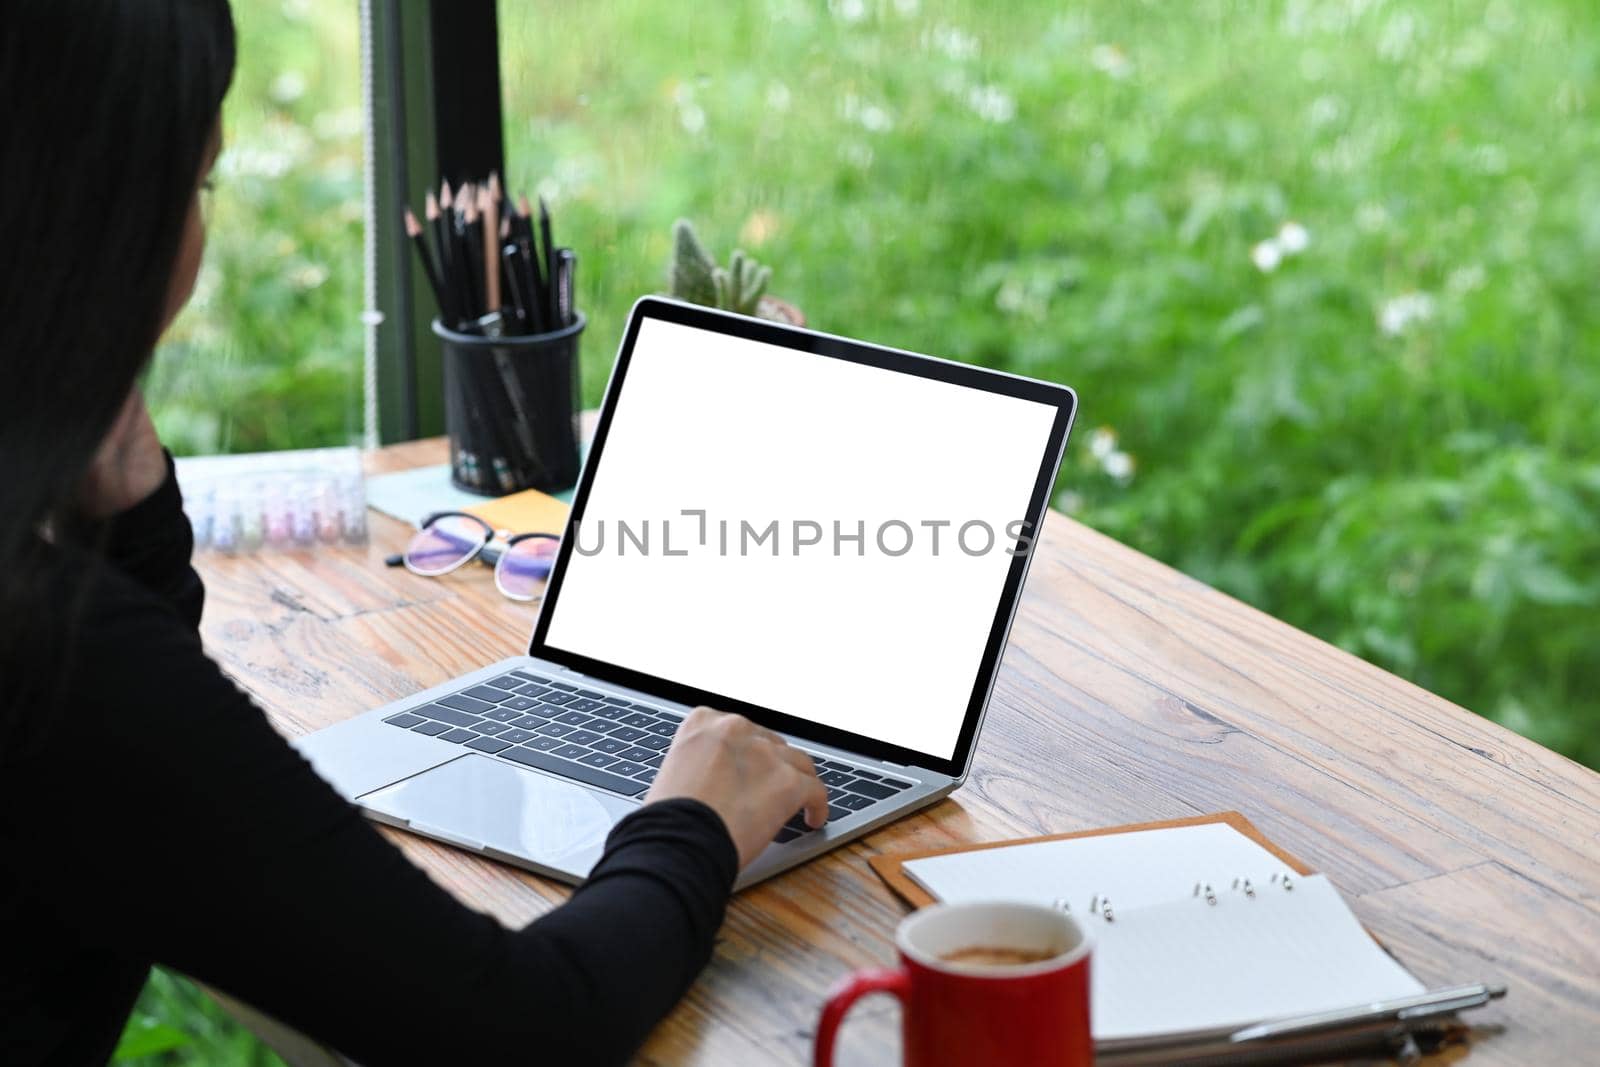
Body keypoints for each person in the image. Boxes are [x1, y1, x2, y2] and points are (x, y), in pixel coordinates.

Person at [0, 2, 830, 1064]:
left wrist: (130, 514)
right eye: (197, 183)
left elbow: (145, 796)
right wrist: (696, 819)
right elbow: (522, 1026)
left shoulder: (69, 650)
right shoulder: (57, 657)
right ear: (90, 220)